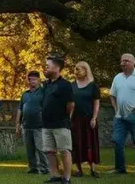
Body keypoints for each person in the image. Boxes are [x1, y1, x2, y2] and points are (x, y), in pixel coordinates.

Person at [42, 56, 74, 184]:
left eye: (48, 65)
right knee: (50, 151)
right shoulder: (47, 84)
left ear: (56, 68)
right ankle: (55, 175)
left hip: (60, 123)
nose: (46, 68)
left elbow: (70, 105)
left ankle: (66, 178)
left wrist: (63, 116)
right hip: (46, 124)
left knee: (64, 151)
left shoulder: (65, 85)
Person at [71, 62, 100, 178]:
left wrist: (94, 118)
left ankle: (93, 169)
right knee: (76, 143)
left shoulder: (93, 86)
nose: (77, 72)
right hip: (75, 119)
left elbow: (96, 103)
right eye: (76, 70)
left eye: (79, 70)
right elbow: (69, 103)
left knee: (90, 143)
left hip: (89, 118)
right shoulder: (71, 85)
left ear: (86, 70)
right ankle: (79, 170)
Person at [17, 71, 49, 175]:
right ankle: (33, 168)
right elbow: (20, 109)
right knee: (30, 149)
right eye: (30, 79)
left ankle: (45, 168)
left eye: (34, 79)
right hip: (26, 125)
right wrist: (17, 124)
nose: (32, 81)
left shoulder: (43, 92)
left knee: (40, 148)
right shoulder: (25, 94)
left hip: (39, 125)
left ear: (39, 80)